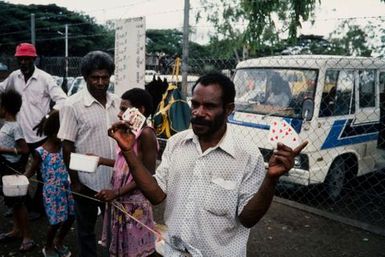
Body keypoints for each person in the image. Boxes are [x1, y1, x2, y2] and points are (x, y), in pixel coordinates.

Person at [107, 72, 307, 256]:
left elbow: (248, 218)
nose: (198, 112)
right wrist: (128, 151)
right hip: (172, 252)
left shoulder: (247, 155)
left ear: (228, 109)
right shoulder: (177, 143)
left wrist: (271, 180)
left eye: (209, 106)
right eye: (195, 105)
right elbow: (156, 195)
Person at [57, 50, 120, 257]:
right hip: (86, 180)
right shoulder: (72, 105)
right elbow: (67, 146)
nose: (101, 82)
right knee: (86, 230)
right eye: (95, 77)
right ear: (86, 78)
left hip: (115, 179)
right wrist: (75, 182)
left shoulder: (117, 102)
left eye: (105, 77)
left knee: (115, 227)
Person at [0, 43, 68, 216]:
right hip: (20, 136)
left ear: (34, 59)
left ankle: (38, 208)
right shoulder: (14, 77)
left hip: (40, 135)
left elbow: (62, 100)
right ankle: (20, 205)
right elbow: (1, 88)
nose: (23, 62)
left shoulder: (45, 78)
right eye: (20, 59)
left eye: (27, 59)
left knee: (42, 175)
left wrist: (47, 118)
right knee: (18, 174)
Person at [95, 88, 157, 257]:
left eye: (124, 109)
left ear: (141, 110)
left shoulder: (146, 134)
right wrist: (101, 160)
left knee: (135, 250)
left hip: (134, 204)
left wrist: (116, 192)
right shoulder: (128, 132)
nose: (119, 114)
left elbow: (147, 175)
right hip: (121, 200)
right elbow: (126, 164)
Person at [24, 110, 75, 257]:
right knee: (55, 222)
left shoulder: (63, 148)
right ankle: (48, 246)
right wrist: (21, 179)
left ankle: (59, 241)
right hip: (52, 193)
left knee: (71, 217)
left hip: (67, 188)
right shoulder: (41, 152)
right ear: (54, 132)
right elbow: (31, 171)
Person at [0, 90, 35, 252]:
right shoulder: (6, 126)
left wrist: (3, 149)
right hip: (5, 169)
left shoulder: (15, 127)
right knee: (12, 203)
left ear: (4, 108)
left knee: (19, 204)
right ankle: (16, 230)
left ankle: (27, 236)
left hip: (13, 170)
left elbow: (24, 149)